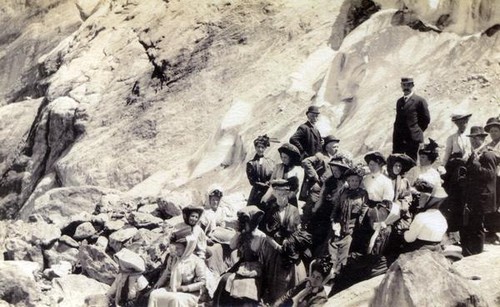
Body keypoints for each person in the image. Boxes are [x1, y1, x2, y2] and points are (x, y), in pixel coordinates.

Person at [330, 152, 394, 295]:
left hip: (376, 212)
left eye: (373, 164)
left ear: (380, 165)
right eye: (369, 164)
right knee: (355, 242)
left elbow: (387, 202)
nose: (370, 167)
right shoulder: (365, 179)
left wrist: (377, 217)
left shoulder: (386, 181)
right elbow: (357, 191)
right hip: (361, 212)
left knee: (369, 246)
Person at [213, 206, 272, 306]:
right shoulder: (242, 233)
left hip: (257, 266)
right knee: (225, 280)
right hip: (242, 263)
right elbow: (232, 246)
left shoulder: (261, 236)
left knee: (246, 286)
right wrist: (239, 233)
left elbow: (266, 257)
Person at [260, 183, 307, 304]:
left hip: (291, 250)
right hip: (276, 251)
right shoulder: (271, 211)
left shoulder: (294, 210)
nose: (281, 198)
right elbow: (267, 235)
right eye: (279, 195)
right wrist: (277, 247)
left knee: (294, 282)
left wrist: (290, 242)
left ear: (288, 195)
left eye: (284, 195)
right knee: (277, 286)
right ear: (275, 195)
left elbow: (299, 230)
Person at [461, 126, 499, 255]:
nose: (473, 141)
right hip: (474, 195)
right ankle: (472, 250)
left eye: (476, 138)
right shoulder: (475, 153)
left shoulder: (488, 154)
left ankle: (477, 251)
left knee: (477, 225)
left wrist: (476, 166)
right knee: (473, 223)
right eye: (472, 138)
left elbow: (490, 175)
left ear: (482, 138)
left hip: (482, 196)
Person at [148, 224, 207, 307]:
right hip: (173, 289)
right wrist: (158, 284)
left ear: (187, 248)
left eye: (178, 248)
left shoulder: (197, 261)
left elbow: (203, 283)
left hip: (191, 293)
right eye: (175, 248)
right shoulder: (173, 258)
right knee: (154, 294)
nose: (176, 251)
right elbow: (167, 272)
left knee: (175, 299)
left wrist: (186, 288)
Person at [329, 166, 368, 275]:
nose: (354, 183)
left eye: (356, 180)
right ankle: (330, 272)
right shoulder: (343, 192)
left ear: (359, 181)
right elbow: (336, 208)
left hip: (353, 227)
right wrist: (334, 221)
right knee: (332, 246)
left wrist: (358, 225)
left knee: (345, 251)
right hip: (339, 224)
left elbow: (364, 210)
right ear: (348, 181)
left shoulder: (363, 194)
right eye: (351, 180)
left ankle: (339, 274)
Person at [308, 157, 350, 257]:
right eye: (333, 170)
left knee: (328, 238)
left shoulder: (346, 184)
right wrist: (314, 209)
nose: (335, 172)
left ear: (342, 170)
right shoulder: (329, 181)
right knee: (316, 232)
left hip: (336, 213)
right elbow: (321, 196)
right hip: (324, 211)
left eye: (337, 170)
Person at [300, 135, 340, 223]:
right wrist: (314, 175)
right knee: (310, 208)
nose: (336, 149)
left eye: (337, 147)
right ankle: (303, 226)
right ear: (327, 147)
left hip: (326, 189)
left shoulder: (335, 159)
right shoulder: (320, 156)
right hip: (317, 188)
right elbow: (305, 162)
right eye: (334, 147)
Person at [385, 153, 415, 264]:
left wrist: (401, 205)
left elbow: (407, 196)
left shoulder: (404, 181)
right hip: (387, 213)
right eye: (396, 165)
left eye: (400, 166)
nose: (397, 168)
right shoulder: (386, 180)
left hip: (400, 213)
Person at [403, 179, 448, 252]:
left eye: (421, 197)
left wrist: (404, 232)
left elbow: (409, 239)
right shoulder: (442, 219)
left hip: (420, 252)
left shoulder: (421, 217)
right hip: (436, 251)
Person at [392, 77, 431, 161]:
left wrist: (416, 131)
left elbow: (426, 119)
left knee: (413, 163)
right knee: (398, 163)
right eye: (404, 85)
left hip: (414, 140)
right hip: (400, 140)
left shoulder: (419, 101)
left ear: (412, 85)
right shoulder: (399, 102)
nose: (406, 87)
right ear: (401, 86)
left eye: (408, 85)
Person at [262, 143, 303, 207]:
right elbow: (271, 182)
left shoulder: (298, 170)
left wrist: (287, 198)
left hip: (290, 199)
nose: (283, 159)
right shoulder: (278, 167)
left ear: (291, 158)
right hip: (276, 197)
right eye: (281, 157)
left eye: (285, 157)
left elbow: (297, 189)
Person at [483, 116, 500, 244]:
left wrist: (493, 153)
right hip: (492, 179)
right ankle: (492, 231)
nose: (493, 133)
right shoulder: (488, 145)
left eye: (496, 131)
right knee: (492, 203)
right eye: (491, 131)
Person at [246, 135, 275, 206]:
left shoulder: (270, 162)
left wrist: (269, 183)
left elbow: (273, 176)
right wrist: (262, 185)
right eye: (258, 147)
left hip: (268, 192)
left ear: (265, 148)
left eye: (262, 147)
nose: (260, 149)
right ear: (255, 147)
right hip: (256, 193)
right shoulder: (251, 163)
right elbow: (252, 181)